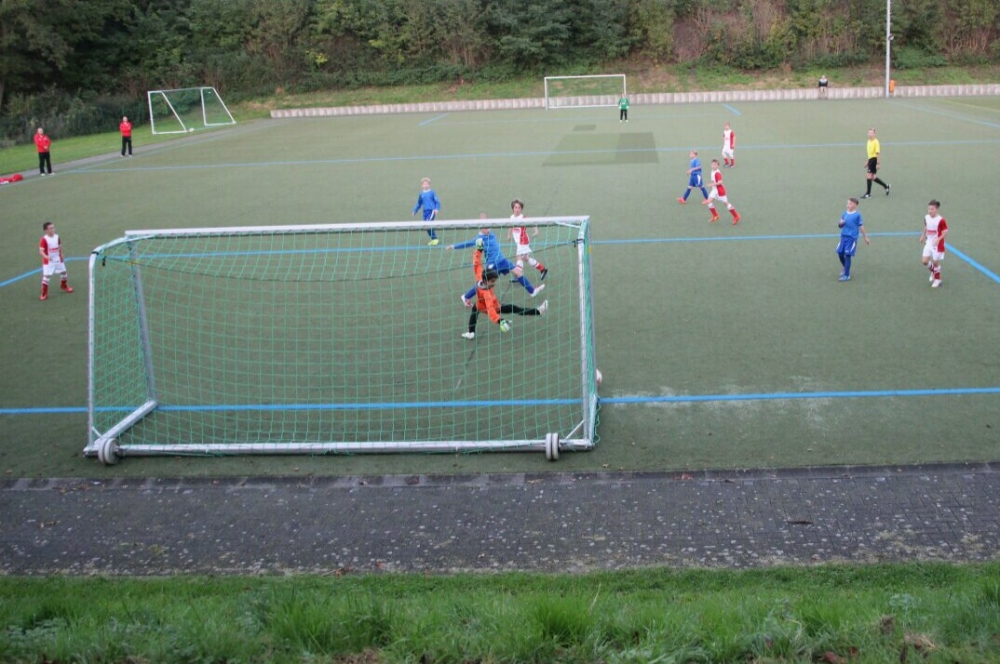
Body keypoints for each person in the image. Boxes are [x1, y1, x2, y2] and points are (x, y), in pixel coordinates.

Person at [461, 238, 547, 340]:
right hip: (492, 307)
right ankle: (538, 311)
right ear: (485, 281)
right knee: (514, 308)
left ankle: (471, 332)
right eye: (492, 281)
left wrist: (479, 250)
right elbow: (491, 311)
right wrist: (500, 321)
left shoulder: (480, 277)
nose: (494, 283)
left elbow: (476, 263)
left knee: (475, 310)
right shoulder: (487, 294)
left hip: (480, 304)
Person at [447, 217, 545, 301]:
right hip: (493, 264)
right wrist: (454, 246)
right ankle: (466, 297)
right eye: (486, 228)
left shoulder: (491, 233)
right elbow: (468, 244)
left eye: (488, 227)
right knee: (484, 283)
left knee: (518, 272)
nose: (488, 229)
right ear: (481, 229)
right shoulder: (479, 239)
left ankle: (532, 291)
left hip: (502, 261)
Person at [507, 199, 547, 280]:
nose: (517, 209)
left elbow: (532, 223)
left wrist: (536, 231)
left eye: (519, 208)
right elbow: (511, 225)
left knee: (518, 257)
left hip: (523, 241)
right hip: (518, 242)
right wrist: (509, 234)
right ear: (512, 208)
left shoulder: (523, 218)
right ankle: (542, 269)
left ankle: (518, 276)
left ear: (521, 209)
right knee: (525, 258)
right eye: (515, 207)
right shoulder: (512, 217)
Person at [836, 197, 870, 282]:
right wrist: (841, 223)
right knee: (840, 253)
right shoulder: (844, 213)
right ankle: (845, 267)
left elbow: (861, 227)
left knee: (848, 255)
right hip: (843, 237)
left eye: (850, 204)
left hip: (851, 238)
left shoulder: (857, 215)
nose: (848, 205)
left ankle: (847, 275)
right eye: (847, 203)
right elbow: (840, 225)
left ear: (855, 205)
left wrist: (865, 237)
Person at [38, 222, 73, 300]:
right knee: (47, 276)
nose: (53, 230)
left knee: (64, 272)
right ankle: (44, 293)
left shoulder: (57, 237)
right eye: (50, 228)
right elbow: (41, 251)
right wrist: (47, 257)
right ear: (46, 230)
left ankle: (64, 286)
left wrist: (61, 254)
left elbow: (59, 246)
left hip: (58, 259)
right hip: (48, 262)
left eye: (53, 228)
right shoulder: (44, 239)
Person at [919, 199, 948, 288]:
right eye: (929, 209)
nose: (930, 211)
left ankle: (938, 280)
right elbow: (926, 226)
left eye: (932, 209)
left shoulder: (941, 220)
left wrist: (938, 239)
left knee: (935, 262)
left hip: (937, 244)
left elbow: (945, 231)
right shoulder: (926, 217)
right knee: (924, 261)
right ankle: (934, 271)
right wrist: (923, 235)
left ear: (937, 209)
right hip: (929, 242)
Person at [702, 159, 741, 225]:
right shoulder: (712, 171)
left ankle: (736, 216)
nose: (713, 165)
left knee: (726, 204)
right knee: (708, 201)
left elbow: (720, 182)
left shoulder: (717, 173)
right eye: (712, 164)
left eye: (715, 164)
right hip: (714, 190)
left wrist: (711, 184)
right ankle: (715, 216)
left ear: (718, 166)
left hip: (719, 191)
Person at [412, 177, 441, 245]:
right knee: (426, 226)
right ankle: (433, 239)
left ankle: (435, 239)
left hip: (431, 211)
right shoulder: (421, 194)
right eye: (424, 184)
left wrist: (436, 209)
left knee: (428, 225)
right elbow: (419, 203)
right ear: (422, 185)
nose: (425, 185)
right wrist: (415, 210)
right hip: (425, 212)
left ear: (429, 185)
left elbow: (437, 201)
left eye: (427, 184)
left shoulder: (432, 192)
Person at [862, 128, 890, 199]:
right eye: (869, 132)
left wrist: (878, 163)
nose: (870, 134)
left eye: (871, 133)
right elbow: (869, 153)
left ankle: (868, 194)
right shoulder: (868, 141)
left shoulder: (876, 142)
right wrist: (867, 161)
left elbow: (877, 153)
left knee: (868, 176)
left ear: (874, 134)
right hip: (871, 160)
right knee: (873, 177)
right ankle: (886, 186)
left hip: (874, 160)